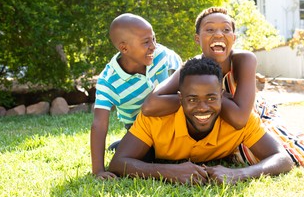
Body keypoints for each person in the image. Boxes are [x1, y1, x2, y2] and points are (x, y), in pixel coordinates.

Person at [141, 6, 304, 168]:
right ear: (197, 39)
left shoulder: (243, 59)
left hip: (254, 113)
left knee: (294, 156)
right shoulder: (191, 68)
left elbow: (240, 118)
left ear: (233, 38)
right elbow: (150, 106)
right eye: (209, 30)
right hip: (217, 121)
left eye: (226, 30)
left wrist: (216, 97)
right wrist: (200, 99)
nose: (218, 34)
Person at [109, 57, 294, 184]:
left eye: (211, 98)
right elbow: (118, 163)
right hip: (155, 149)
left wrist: (238, 174)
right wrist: (168, 172)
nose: (203, 107)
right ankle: (122, 142)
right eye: (192, 99)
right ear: (179, 98)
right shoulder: (155, 119)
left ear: (222, 96)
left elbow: (283, 158)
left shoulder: (240, 121)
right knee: (138, 152)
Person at [90, 13, 182, 179]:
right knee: (146, 158)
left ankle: (123, 145)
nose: (153, 46)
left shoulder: (162, 55)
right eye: (146, 42)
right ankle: (125, 144)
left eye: (153, 39)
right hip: (140, 131)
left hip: (171, 119)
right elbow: (99, 124)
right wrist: (98, 171)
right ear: (124, 48)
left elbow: (183, 77)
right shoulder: (108, 81)